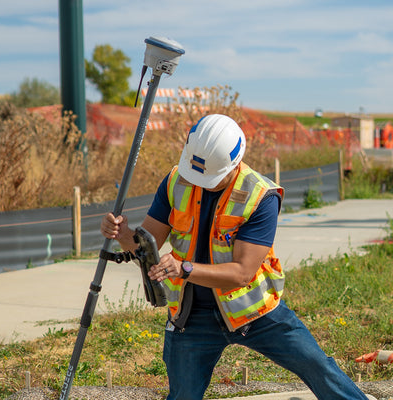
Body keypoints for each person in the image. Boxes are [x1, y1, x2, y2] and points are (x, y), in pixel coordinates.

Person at [101, 114, 371, 400]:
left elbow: (242, 273)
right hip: (191, 315)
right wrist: (122, 234)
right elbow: (148, 246)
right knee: (182, 395)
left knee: (317, 366)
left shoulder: (261, 196)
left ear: (234, 163)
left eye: (210, 178)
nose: (201, 183)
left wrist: (184, 268)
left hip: (255, 311)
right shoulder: (176, 182)